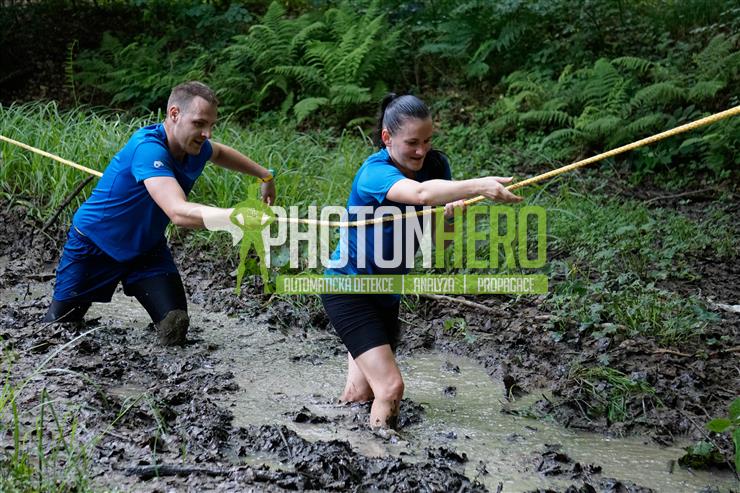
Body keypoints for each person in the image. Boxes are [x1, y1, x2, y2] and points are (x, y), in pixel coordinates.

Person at [321, 93, 522, 430]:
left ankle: (335, 437)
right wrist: (478, 186)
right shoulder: (374, 173)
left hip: (387, 293)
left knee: (360, 394)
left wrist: (450, 217)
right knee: (390, 388)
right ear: (387, 137)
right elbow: (420, 194)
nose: (421, 151)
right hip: (348, 289)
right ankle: (382, 453)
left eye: (427, 141)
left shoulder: (435, 167)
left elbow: (439, 242)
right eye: (412, 143)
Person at [43, 81, 276, 345]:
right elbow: (178, 212)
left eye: (212, 125)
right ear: (174, 114)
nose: (207, 133)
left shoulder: (196, 147)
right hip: (96, 245)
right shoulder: (148, 149)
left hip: (147, 249)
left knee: (175, 324)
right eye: (199, 123)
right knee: (59, 329)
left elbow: (219, 152)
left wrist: (265, 175)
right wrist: (234, 217)